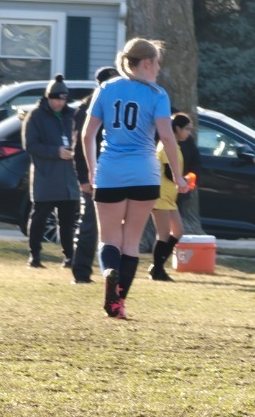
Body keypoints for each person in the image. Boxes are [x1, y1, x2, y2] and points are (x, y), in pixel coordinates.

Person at [82, 37, 188, 319]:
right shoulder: (157, 94)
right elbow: (167, 137)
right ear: (146, 63)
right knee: (131, 242)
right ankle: (118, 304)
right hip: (145, 172)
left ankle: (109, 272)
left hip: (110, 171)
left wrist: (92, 168)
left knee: (109, 240)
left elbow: (87, 134)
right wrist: (178, 177)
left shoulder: (106, 88)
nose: (158, 69)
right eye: (157, 63)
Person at [22, 74, 79, 269]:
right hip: (45, 177)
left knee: (67, 221)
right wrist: (56, 151)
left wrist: (74, 151)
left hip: (68, 178)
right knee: (39, 217)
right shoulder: (36, 116)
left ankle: (69, 256)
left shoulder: (72, 115)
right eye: (56, 99)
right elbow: (30, 145)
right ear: (48, 97)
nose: (59, 103)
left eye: (62, 99)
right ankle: (34, 255)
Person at [71, 67, 120, 282]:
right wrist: (83, 178)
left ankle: (111, 271)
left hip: (114, 172)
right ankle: (81, 272)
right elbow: (80, 146)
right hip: (94, 174)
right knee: (89, 225)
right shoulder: (88, 108)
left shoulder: (116, 105)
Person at [149, 112, 194, 281]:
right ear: (177, 128)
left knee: (178, 231)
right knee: (164, 234)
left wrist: (185, 180)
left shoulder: (175, 146)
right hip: (160, 196)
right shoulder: (167, 146)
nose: (188, 133)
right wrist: (183, 180)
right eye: (187, 129)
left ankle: (157, 266)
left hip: (169, 197)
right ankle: (158, 270)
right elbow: (169, 172)